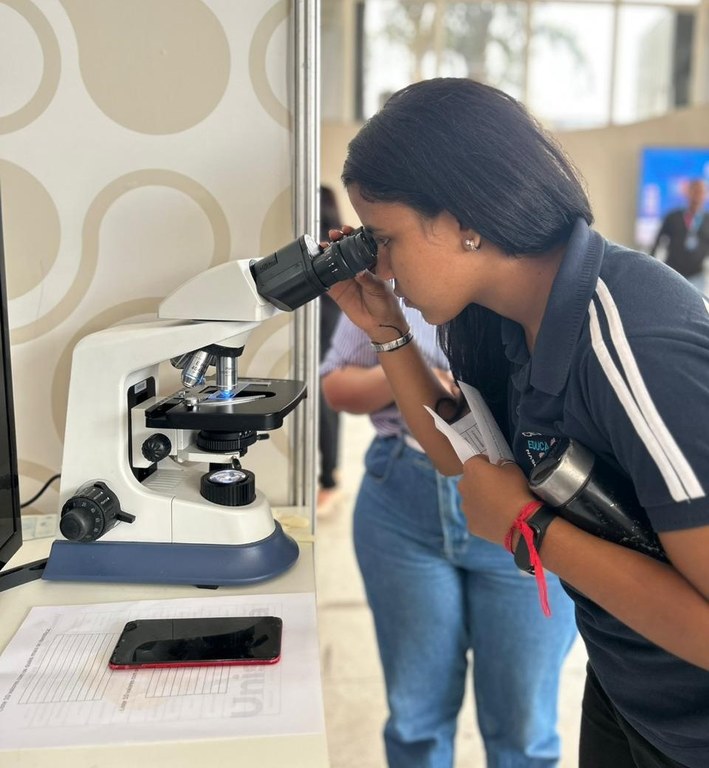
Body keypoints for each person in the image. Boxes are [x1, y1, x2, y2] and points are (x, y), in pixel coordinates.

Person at [325, 78, 709, 768]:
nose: (378, 264)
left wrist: (529, 529)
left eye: (385, 239)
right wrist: (385, 331)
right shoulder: (503, 317)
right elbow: (465, 458)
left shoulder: (629, 339)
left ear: (462, 221)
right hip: (627, 681)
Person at [321, 307, 578, 768]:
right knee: (416, 720)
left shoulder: (550, 295)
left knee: (524, 729)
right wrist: (408, 372)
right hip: (405, 498)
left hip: (526, 503)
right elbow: (336, 384)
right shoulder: (387, 287)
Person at [317, 185, 343, 511]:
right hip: (332, 315)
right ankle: (330, 475)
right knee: (328, 395)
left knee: (326, 396)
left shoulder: (322, 239)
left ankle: (329, 479)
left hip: (324, 315)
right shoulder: (336, 239)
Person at [650, 177, 709, 291]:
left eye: (701, 192)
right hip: (672, 272)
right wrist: (650, 265)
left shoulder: (707, 220)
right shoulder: (673, 217)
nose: (697, 195)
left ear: (705, 195)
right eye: (695, 191)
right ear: (688, 193)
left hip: (697, 275)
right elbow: (657, 242)